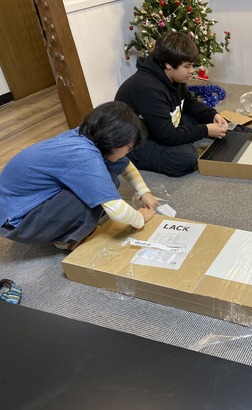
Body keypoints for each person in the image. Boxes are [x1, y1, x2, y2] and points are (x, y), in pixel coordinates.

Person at [0, 101, 158, 250]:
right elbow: (117, 211)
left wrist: (144, 192)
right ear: (114, 142)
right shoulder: (84, 156)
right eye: (129, 148)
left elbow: (125, 165)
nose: (128, 153)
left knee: (107, 179)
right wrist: (141, 218)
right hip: (16, 222)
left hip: (20, 205)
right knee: (95, 194)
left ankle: (67, 227)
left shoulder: (86, 135)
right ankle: (66, 240)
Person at [115, 32, 228, 177]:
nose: (191, 71)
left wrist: (213, 115)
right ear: (168, 64)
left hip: (156, 126)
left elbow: (188, 103)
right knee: (186, 158)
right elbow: (167, 135)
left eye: (192, 65)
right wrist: (205, 131)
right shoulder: (148, 89)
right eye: (187, 66)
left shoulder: (174, 77)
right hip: (134, 143)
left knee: (204, 120)